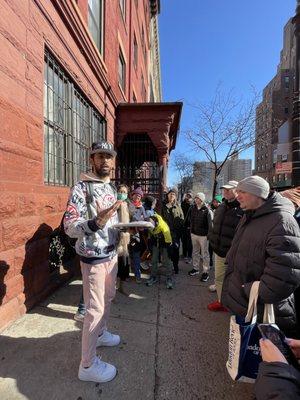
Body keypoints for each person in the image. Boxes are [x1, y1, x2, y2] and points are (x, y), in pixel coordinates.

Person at [64, 140, 122, 383]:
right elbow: (69, 227)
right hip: (94, 258)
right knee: (94, 310)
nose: (105, 161)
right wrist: (95, 223)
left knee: (108, 299)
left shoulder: (111, 189)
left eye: (109, 156)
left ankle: (100, 335)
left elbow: (112, 222)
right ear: (92, 159)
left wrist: (126, 229)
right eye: (100, 156)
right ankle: (87, 366)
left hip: (112, 254)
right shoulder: (81, 188)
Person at [221, 176, 300, 337]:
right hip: (246, 304)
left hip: (261, 310)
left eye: (242, 191)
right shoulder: (249, 215)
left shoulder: (282, 221)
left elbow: (284, 277)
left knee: (258, 357)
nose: (237, 196)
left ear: (258, 194)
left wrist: (250, 291)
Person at [207, 181, 243, 311]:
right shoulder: (221, 207)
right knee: (219, 278)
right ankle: (221, 302)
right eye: (224, 190)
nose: (225, 192)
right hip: (219, 251)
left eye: (229, 190)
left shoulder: (243, 208)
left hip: (235, 253)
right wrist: (212, 239)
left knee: (236, 281)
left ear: (237, 190)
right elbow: (214, 226)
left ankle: (234, 304)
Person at [188, 192, 212, 282]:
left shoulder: (207, 210)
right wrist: (191, 231)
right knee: (195, 252)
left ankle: (205, 272)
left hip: (203, 236)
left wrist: (209, 236)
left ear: (202, 199)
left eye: (197, 198)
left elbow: (210, 225)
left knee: (205, 254)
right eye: (195, 198)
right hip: (194, 234)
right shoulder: (193, 208)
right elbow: (191, 220)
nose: (196, 199)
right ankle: (195, 268)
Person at [146, 213, 174, 289]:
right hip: (155, 242)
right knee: (154, 260)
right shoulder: (149, 224)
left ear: (156, 223)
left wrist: (169, 250)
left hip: (165, 243)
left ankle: (169, 278)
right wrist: (150, 246)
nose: (151, 229)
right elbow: (150, 236)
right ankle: (153, 277)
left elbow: (169, 241)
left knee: (166, 260)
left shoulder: (164, 227)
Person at [162, 188, 184, 274]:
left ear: (175, 197)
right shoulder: (163, 205)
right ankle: (168, 266)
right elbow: (161, 218)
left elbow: (182, 217)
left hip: (176, 233)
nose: (172, 195)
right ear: (167, 195)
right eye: (170, 194)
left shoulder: (178, 206)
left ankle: (175, 266)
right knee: (168, 250)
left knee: (176, 249)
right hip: (166, 232)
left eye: (174, 194)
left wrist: (180, 227)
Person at [128, 187, 146, 283]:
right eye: (136, 195)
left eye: (139, 196)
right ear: (132, 195)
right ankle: (126, 274)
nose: (137, 197)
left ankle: (137, 275)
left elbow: (146, 219)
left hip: (136, 235)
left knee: (136, 255)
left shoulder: (141, 207)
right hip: (126, 233)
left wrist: (142, 221)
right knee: (127, 255)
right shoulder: (128, 205)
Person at [116, 184, 130, 295]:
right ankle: (112, 290)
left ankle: (121, 287)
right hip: (115, 238)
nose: (122, 194)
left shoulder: (127, 204)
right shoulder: (113, 204)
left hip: (125, 238)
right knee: (114, 265)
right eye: (120, 191)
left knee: (123, 265)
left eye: (124, 192)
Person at [181, 190, 193, 264]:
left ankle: (189, 256)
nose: (188, 198)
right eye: (187, 196)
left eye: (190, 196)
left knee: (189, 242)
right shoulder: (183, 204)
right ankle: (184, 254)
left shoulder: (192, 205)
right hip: (183, 225)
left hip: (190, 226)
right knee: (183, 240)